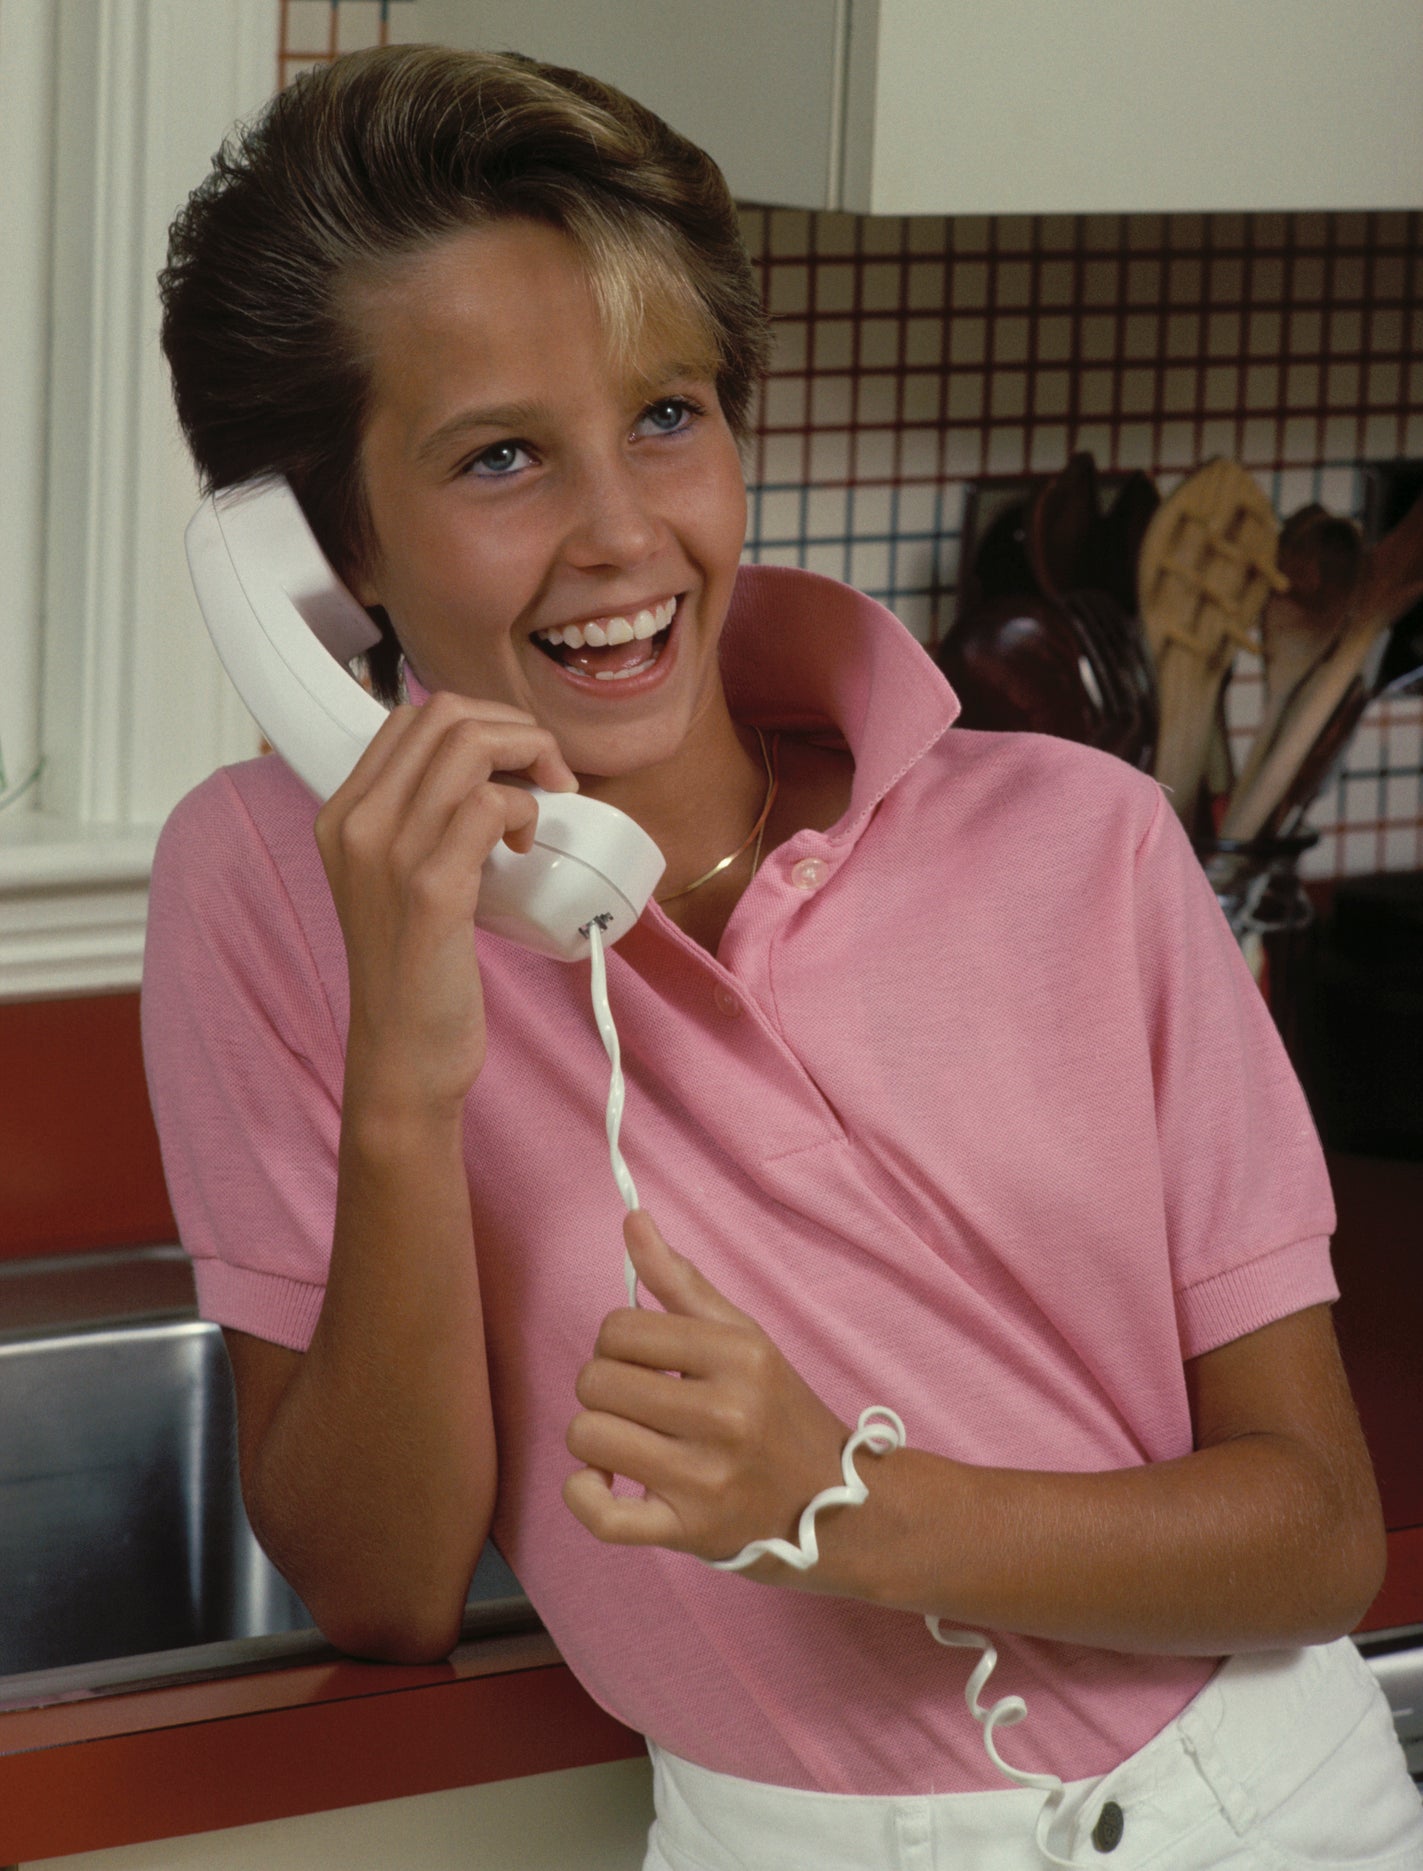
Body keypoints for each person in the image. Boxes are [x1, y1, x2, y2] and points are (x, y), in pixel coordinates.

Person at [144, 43, 1423, 1870]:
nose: (621, 534)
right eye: (500, 454)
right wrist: (407, 1084)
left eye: (667, 414)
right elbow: (383, 1590)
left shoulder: (1084, 839)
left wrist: (841, 1506)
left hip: (1273, 1813)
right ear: (327, 557)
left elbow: (1313, 1538)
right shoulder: (268, 887)